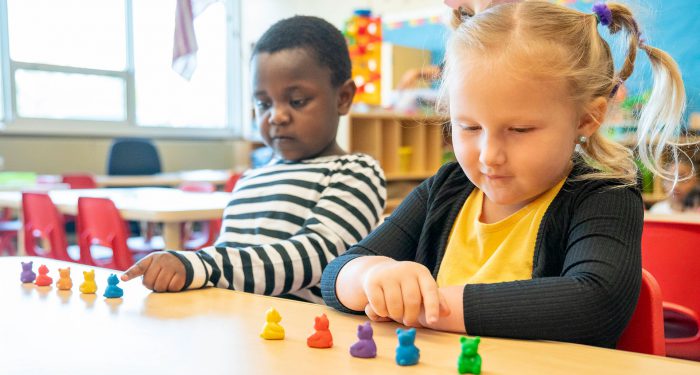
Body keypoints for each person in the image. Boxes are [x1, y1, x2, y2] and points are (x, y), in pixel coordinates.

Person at [321, 0, 687, 348]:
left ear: (588, 118)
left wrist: (427, 306)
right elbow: (336, 273)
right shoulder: (445, 189)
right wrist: (369, 276)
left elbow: (595, 302)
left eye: (519, 130)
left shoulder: (605, 195)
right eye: (468, 127)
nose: (489, 156)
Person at [121, 16, 387, 304]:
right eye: (263, 103)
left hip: (305, 338)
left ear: (343, 98)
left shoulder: (357, 173)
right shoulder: (251, 179)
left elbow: (320, 256)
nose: (276, 116)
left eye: (297, 101)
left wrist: (202, 265)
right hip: (240, 328)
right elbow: (231, 259)